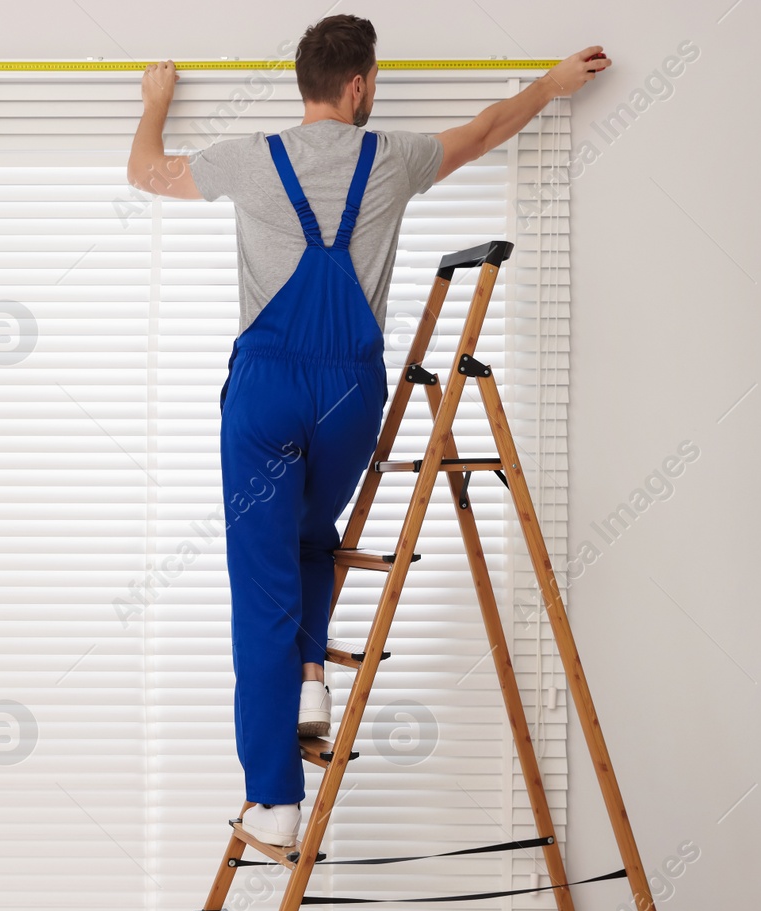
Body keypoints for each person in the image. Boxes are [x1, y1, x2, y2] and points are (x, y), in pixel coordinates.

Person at [126, 16, 610, 847]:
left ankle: (274, 800)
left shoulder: (250, 158)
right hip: (351, 392)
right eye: (374, 80)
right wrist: (554, 84)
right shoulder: (394, 158)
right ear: (358, 86)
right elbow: (490, 129)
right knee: (317, 533)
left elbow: (146, 173)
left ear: (309, 85)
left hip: (266, 389)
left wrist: (157, 101)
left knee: (261, 585)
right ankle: (312, 680)